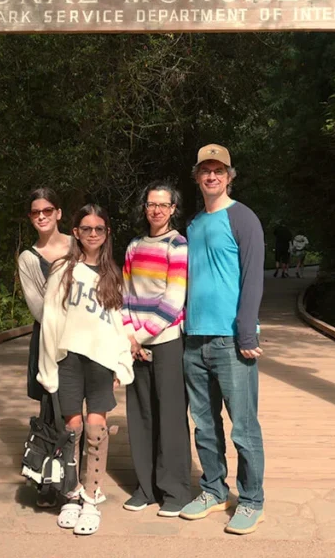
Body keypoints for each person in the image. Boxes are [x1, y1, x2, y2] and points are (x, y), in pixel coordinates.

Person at [179, 144, 266, 535]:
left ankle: (251, 500)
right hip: (193, 339)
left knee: (243, 427)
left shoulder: (243, 218)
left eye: (219, 170)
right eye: (205, 170)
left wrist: (246, 331)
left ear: (230, 176)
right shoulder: (194, 224)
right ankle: (214, 490)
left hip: (232, 341)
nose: (212, 176)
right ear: (197, 177)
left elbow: (253, 278)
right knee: (204, 424)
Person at [37, 204, 134, 536]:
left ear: (107, 233)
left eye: (100, 229)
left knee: (96, 426)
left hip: (101, 360)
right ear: (75, 232)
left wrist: (123, 361)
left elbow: (117, 323)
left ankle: (92, 497)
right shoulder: (63, 269)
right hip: (69, 359)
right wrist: (48, 366)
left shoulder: (112, 273)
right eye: (87, 228)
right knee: (72, 427)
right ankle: (71, 492)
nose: (93, 234)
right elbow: (50, 320)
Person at [121, 181, 191, 518]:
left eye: (164, 205)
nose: (157, 210)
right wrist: (129, 337)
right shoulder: (134, 245)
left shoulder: (177, 245)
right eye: (151, 204)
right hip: (134, 344)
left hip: (165, 342)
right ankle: (146, 487)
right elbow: (124, 295)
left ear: (173, 208)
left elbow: (174, 299)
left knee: (171, 416)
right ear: (144, 207)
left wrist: (143, 336)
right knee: (141, 415)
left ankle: (175, 491)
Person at [16, 188, 72, 507]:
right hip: (49, 341)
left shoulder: (78, 245)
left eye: (47, 210)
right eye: (36, 212)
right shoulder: (28, 258)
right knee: (51, 411)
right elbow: (39, 309)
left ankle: (76, 479)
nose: (42, 216)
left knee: (77, 411)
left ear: (58, 213)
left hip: (81, 341)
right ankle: (47, 482)